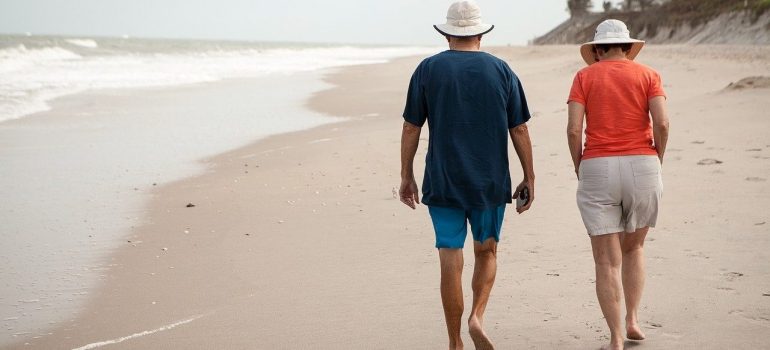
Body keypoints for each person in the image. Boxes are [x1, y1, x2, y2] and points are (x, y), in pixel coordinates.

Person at [399, 1, 535, 349]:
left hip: (443, 181)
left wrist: (406, 175)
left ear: (447, 34)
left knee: (449, 258)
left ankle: (454, 343)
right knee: (486, 252)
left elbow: (412, 127)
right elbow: (518, 129)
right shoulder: (502, 70)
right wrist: (529, 177)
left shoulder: (428, 69)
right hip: (489, 182)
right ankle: (477, 316)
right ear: (480, 33)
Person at [566, 19, 670, 350]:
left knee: (605, 261)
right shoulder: (648, 75)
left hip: (597, 165)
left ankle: (614, 338)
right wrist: (657, 159)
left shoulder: (584, 76)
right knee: (635, 247)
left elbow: (573, 129)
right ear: (627, 47)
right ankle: (633, 320)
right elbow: (663, 123)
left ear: (597, 50)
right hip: (643, 163)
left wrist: (580, 166)